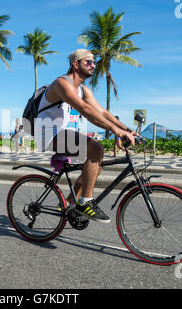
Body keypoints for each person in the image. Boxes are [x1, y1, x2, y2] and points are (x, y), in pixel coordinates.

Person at [34, 49, 136, 223]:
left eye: (94, 62)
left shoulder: (83, 90)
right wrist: (116, 131)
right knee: (96, 148)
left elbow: (102, 112)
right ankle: (86, 203)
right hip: (48, 134)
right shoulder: (61, 83)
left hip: (63, 133)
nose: (93, 65)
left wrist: (127, 129)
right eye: (88, 62)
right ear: (75, 64)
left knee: (97, 166)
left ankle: (69, 203)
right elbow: (86, 110)